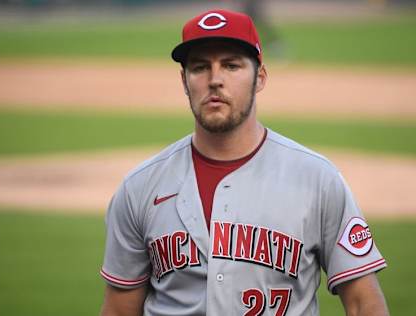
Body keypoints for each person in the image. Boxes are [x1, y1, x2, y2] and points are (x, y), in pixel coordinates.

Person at [99, 9, 388, 316]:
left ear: (260, 77)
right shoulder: (140, 187)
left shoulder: (317, 179)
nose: (215, 80)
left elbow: (363, 303)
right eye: (199, 68)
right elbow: (119, 310)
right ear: (184, 81)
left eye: (231, 65)